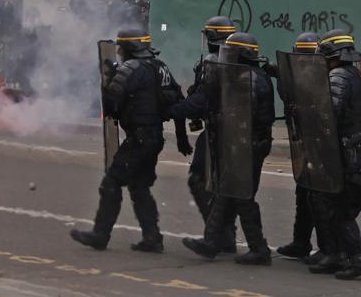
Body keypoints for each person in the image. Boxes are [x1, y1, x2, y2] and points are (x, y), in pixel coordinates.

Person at [71, 27, 180, 253]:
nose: (119, 51)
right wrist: (180, 136)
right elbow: (177, 99)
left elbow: (111, 103)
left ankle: (101, 235)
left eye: (121, 47)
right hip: (154, 136)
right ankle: (153, 238)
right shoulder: (161, 68)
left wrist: (110, 77)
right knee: (139, 187)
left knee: (111, 183)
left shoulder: (131, 68)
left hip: (139, 138)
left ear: (131, 48)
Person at [178, 32, 276, 265]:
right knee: (227, 191)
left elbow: (240, 114)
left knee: (242, 195)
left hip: (247, 144)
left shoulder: (248, 79)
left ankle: (259, 248)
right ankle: (212, 242)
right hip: (245, 143)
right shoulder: (253, 75)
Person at [310, 33, 361, 279]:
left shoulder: (338, 76)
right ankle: (335, 253)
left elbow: (330, 112)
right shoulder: (355, 74)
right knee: (329, 202)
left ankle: (359, 258)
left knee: (337, 206)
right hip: (351, 146)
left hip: (342, 150)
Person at [183, 16, 240, 251]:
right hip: (235, 132)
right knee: (225, 186)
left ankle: (218, 236)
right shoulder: (242, 59)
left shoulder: (213, 62)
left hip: (219, 129)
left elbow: (205, 99)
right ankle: (224, 236)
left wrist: (180, 108)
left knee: (199, 179)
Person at [276, 33, 327, 263]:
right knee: (305, 194)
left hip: (319, 147)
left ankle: (326, 248)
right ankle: (301, 242)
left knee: (318, 198)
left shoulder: (322, 78)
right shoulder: (310, 76)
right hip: (308, 144)